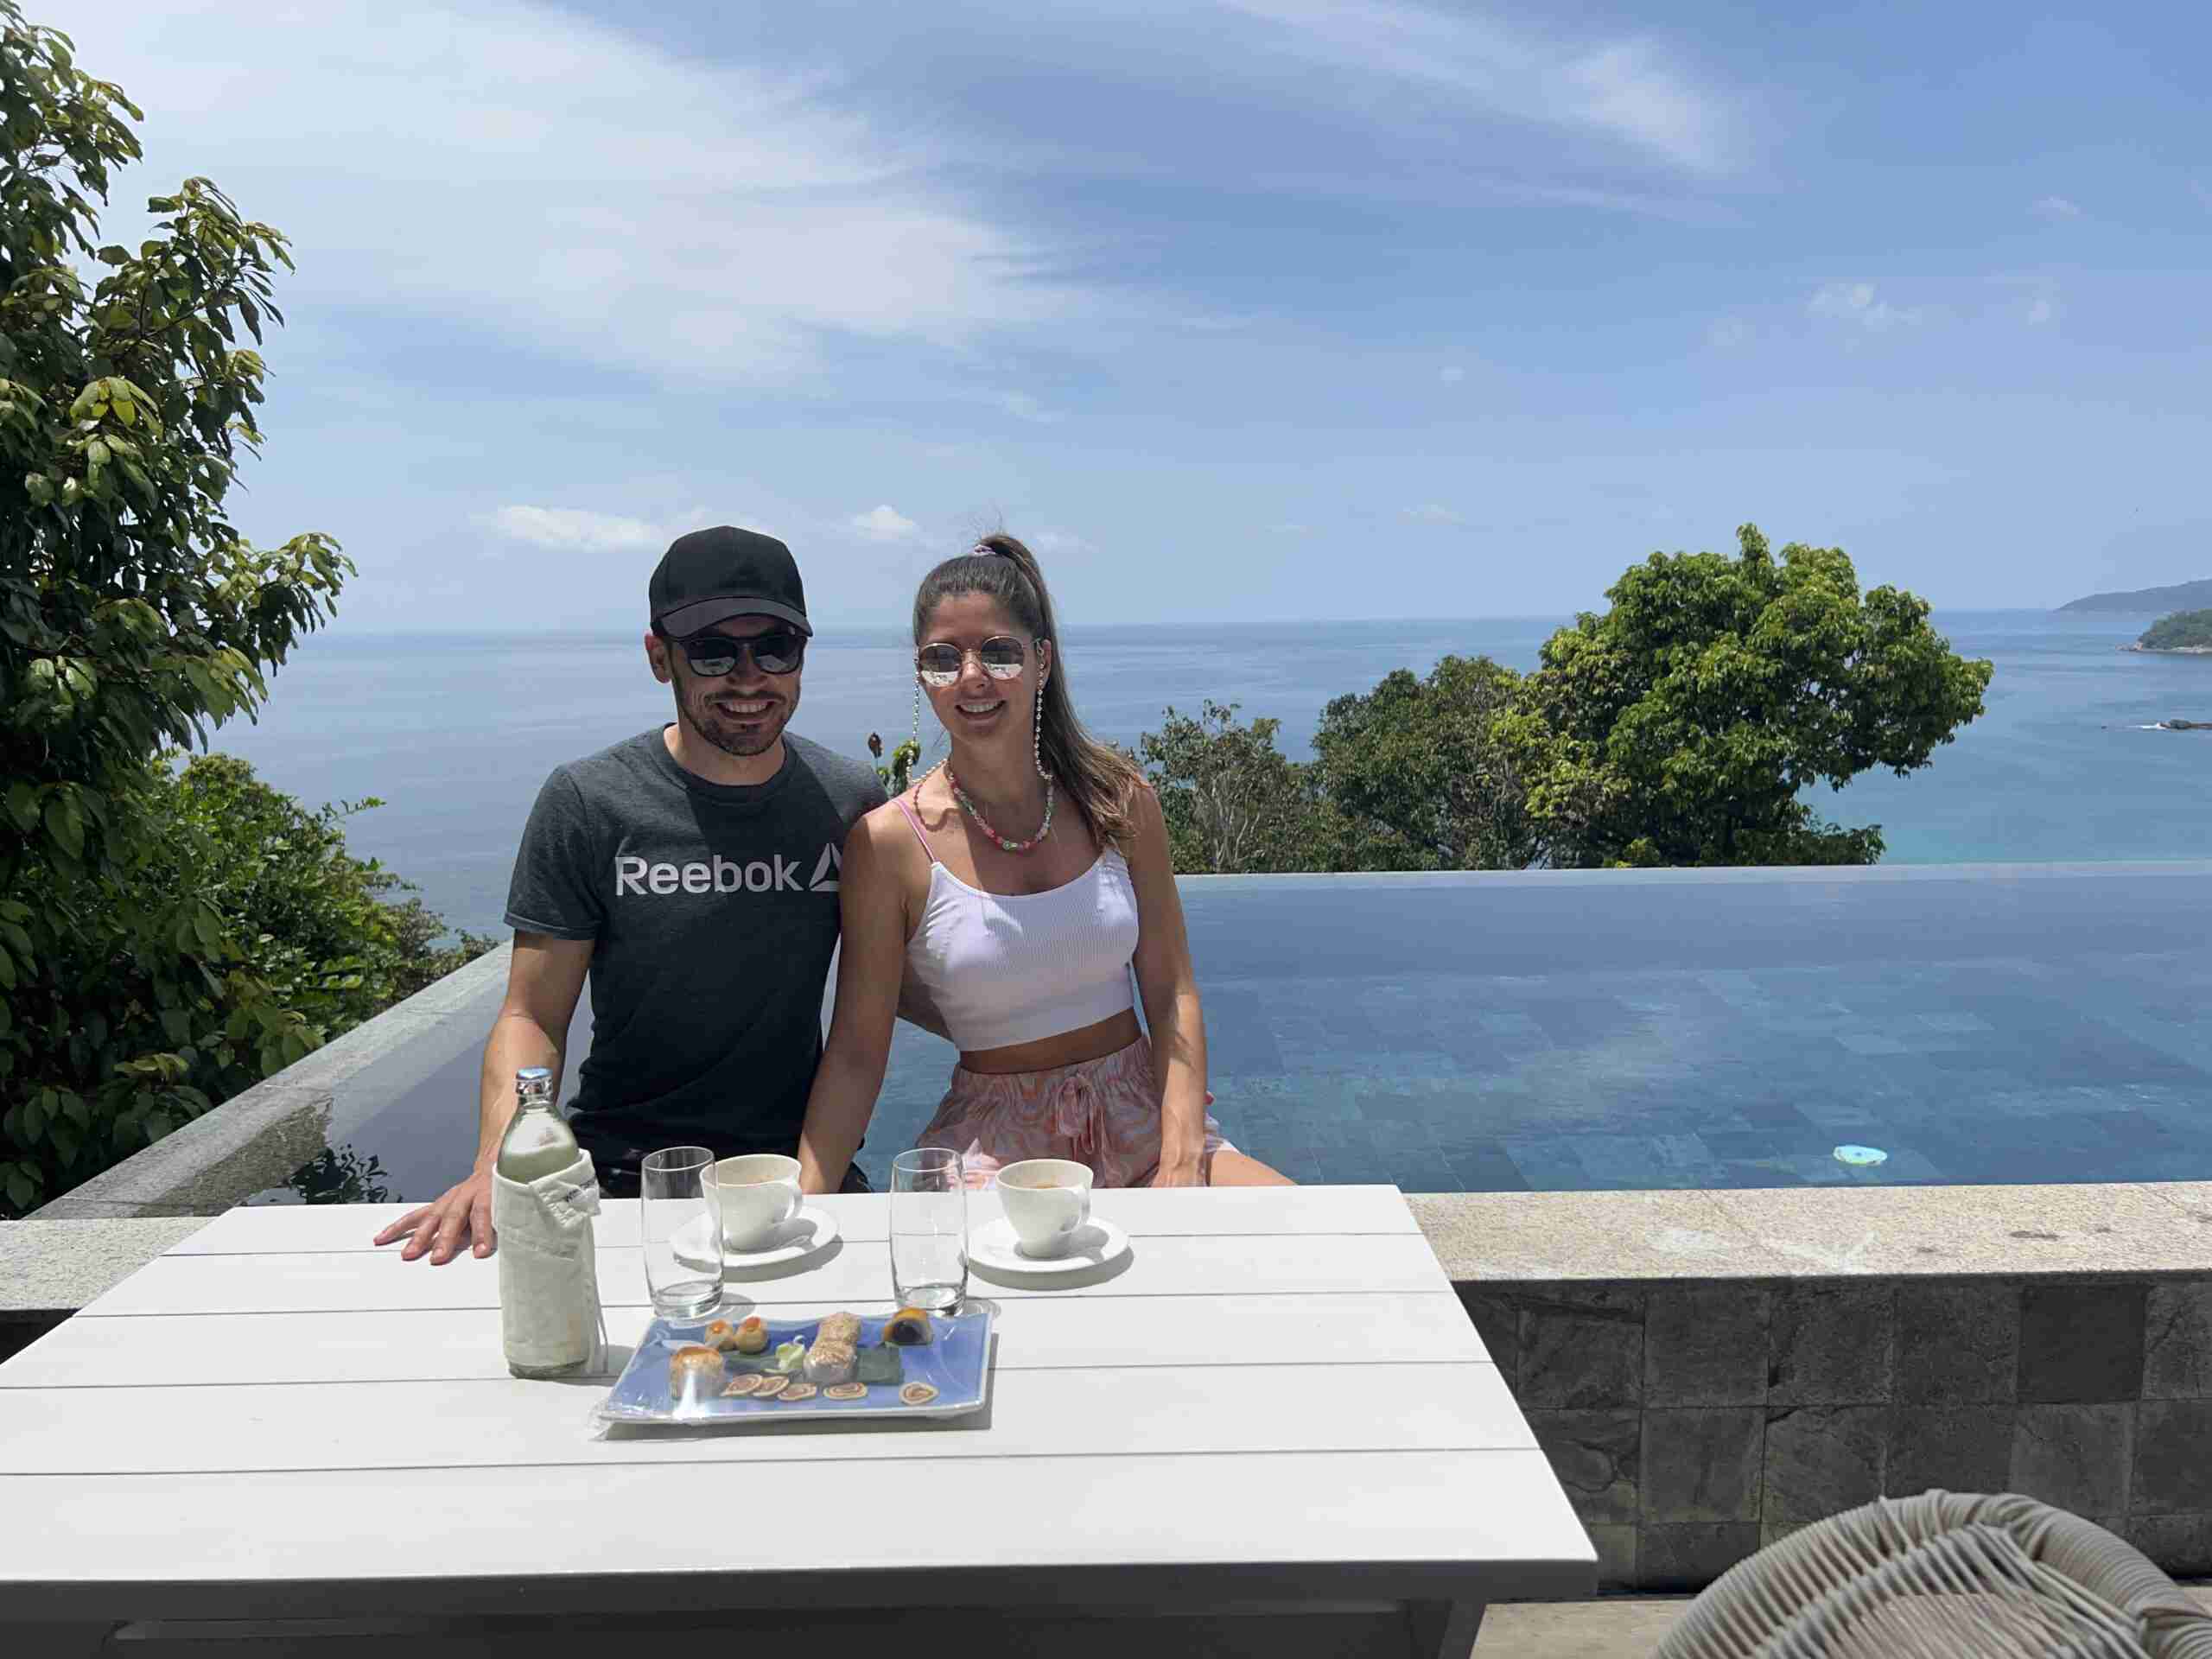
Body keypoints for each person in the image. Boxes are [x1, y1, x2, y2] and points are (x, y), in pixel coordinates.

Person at [374, 525, 887, 1263]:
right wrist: (499, 1160)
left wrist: (811, 1192)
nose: (750, 678)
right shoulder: (590, 802)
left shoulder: (849, 802)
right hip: (626, 1176)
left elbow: (868, 1022)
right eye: (713, 651)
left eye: (776, 648)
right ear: (658, 657)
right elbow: (532, 1015)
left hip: (792, 1173)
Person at [797, 534, 1293, 1192]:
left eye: (999, 652)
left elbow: (1172, 990)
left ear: (1043, 661)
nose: (971, 676)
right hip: (995, 1148)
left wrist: (1180, 1159)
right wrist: (806, 1205)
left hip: (1143, 1120)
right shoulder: (889, 845)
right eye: (943, 658)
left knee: (1313, 1235)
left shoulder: (1119, 803)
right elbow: (858, 1053)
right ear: (921, 675)